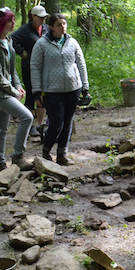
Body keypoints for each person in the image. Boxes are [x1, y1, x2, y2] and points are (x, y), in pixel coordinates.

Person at [31, 13, 89, 166]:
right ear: (50, 27)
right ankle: (46, 151)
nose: (62, 27)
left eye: (64, 24)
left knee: (68, 121)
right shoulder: (42, 44)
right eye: (58, 24)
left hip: (72, 88)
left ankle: (62, 154)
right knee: (56, 122)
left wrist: (85, 88)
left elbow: (81, 64)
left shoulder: (72, 42)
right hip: (52, 90)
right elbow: (35, 67)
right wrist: (37, 91)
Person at [0, 8, 34, 174]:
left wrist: (17, 85)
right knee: (27, 117)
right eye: (10, 20)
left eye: (14, 20)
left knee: (2, 128)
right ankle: (18, 156)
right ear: (0, 22)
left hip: (6, 89)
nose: (14, 23)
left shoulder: (8, 40)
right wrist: (13, 91)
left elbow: (12, 69)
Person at [11, 6, 50, 138]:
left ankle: (40, 126)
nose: (43, 20)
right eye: (40, 18)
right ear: (33, 17)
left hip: (44, 67)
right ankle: (28, 125)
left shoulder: (45, 29)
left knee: (42, 95)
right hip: (29, 67)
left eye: (44, 17)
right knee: (31, 96)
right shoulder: (24, 30)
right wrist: (21, 51)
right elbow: (11, 41)